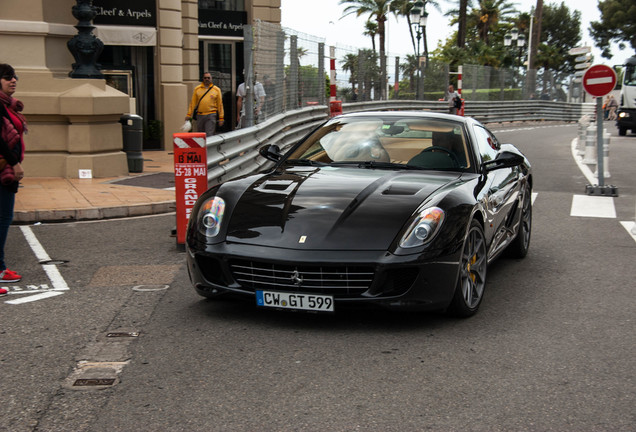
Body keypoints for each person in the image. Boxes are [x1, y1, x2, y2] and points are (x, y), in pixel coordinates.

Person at [0, 63, 26, 291]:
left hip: (5, 170)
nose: (13, 80)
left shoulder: (9, 106)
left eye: (14, 77)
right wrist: (14, 162)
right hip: (3, 171)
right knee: (1, 219)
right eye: (7, 77)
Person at [185, 72, 224, 137]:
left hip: (211, 114)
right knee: (200, 135)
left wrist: (221, 118)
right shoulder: (197, 89)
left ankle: (209, 147)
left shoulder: (216, 90)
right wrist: (189, 114)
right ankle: (203, 147)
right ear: (203, 79)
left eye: (208, 78)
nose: (207, 79)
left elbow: (220, 105)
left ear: (211, 79)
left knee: (209, 134)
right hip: (200, 115)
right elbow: (193, 103)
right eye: (205, 78)